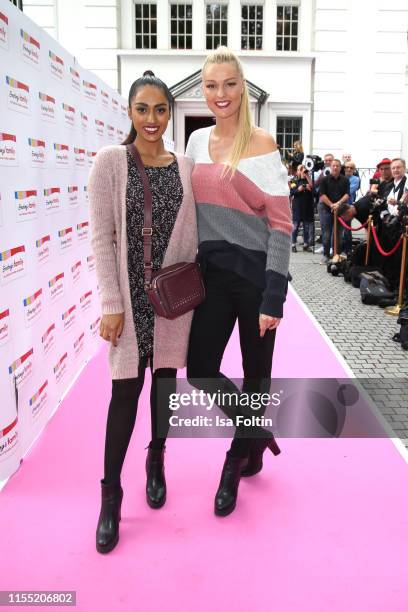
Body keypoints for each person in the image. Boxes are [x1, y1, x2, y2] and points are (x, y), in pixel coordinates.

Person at [88, 71, 197, 553]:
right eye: (142, 109)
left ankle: (157, 458)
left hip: (171, 302)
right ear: (129, 112)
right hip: (131, 306)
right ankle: (110, 494)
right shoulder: (111, 162)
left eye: (160, 110)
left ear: (169, 112)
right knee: (125, 396)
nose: (151, 119)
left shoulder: (186, 167)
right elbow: (102, 237)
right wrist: (111, 303)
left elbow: (196, 233)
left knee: (164, 387)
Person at [185, 47, 292, 517]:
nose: (220, 94)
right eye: (211, 85)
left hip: (255, 281)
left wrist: (274, 296)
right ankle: (255, 430)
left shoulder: (263, 144)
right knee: (200, 368)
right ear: (202, 90)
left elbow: (281, 225)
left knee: (256, 376)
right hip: (211, 276)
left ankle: (235, 459)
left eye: (229, 84)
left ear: (242, 86)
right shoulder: (194, 143)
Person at [318, 159, 350, 263]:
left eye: (337, 166)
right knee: (326, 233)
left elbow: (347, 194)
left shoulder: (345, 180)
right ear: (330, 167)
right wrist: (332, 205)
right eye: (333, 166)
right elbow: (322, 195)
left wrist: (338, 204)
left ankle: (336, 254)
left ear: (340, 168)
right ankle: (326, 255)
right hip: (326, 208)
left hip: (339, 208)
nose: (335, 167)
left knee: (338, 234)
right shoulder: (324, 179)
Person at [290, 164, 314, 252]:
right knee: (295, 227)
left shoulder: (310, 181)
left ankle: (306, 244)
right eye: (301, 170)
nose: (303, 172)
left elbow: (315, 193)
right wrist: (298, 189)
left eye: (305, 170)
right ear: (298, 171)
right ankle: (293, 244)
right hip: (297, 208)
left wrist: (309, 189)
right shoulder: (294, 181)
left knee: (306, 227)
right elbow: (291, 192)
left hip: (307, 208)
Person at [342, 161, 361, 253]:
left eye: (351, 168)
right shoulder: (340, 177)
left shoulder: (356, 179)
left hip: (347, 206)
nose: (349, 169)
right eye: (347, 167)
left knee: (347, 229)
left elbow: (349, 191)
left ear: (354, 170)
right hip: (337, 205)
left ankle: (348, 250)